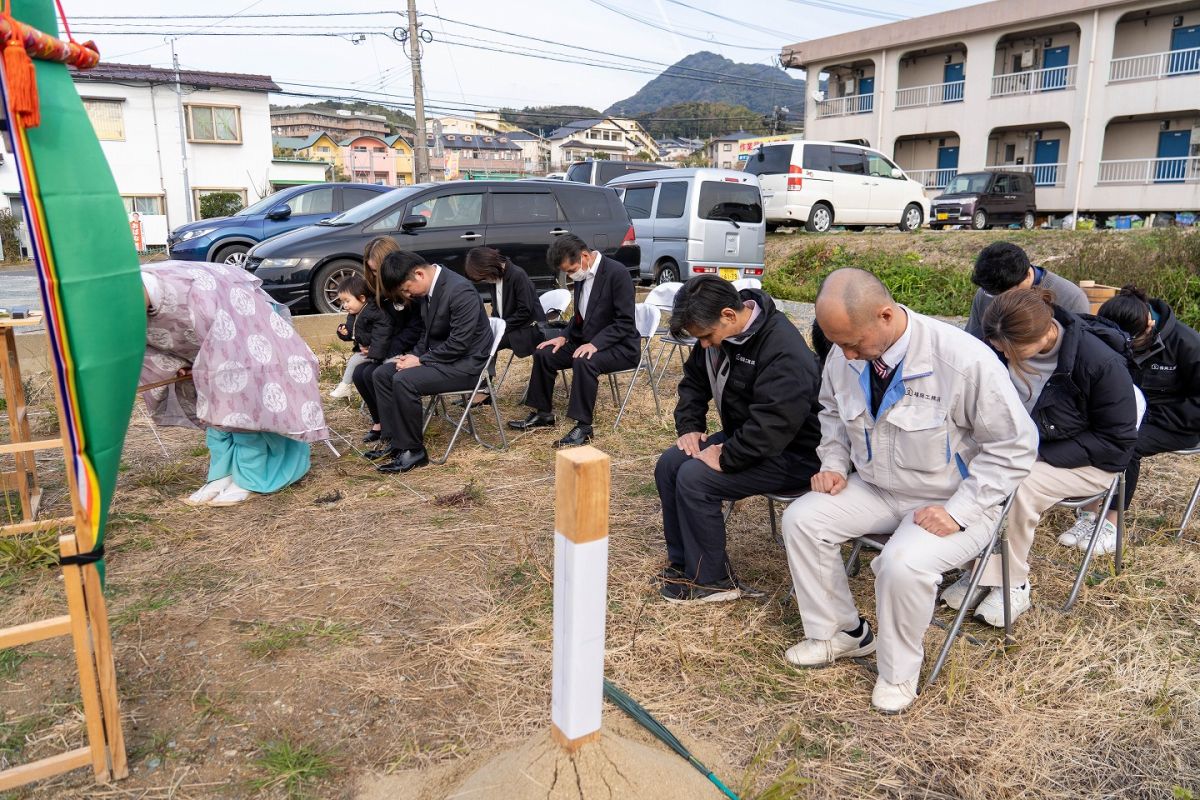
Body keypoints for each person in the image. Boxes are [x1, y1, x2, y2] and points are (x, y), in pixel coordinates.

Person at [781, 268, 1037, 714]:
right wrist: (835, 465)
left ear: (884, 315)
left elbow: (1014, 447)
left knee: (901, 563)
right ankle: (840, 633)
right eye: (837, 344)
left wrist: (960, 510)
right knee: (803, 519)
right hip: (877, 486)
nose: (845, 354)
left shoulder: (964, 360)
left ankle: (898, 673)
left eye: (852, 343)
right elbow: (830, 412)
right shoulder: (846, 353)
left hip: (951, 500)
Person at [942, 288, 1138, 626]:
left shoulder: (1099, 363)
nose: (1003, 354)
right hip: (1028, 449)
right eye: (998, 348)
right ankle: (981, 570)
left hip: (1091, 462)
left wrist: (1034, 455)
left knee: (1017, 484)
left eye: (1012, 350)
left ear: (1045, 332)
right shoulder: (1001, 348)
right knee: (967, 471)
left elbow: (1117, 442)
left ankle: (1013, 582)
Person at [655, 276, 821, 603]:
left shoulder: (782, 348)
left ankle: (712, 581)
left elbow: (775, 424)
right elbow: (693, 383)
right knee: (670, 463)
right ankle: (684, 563)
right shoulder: (721, 333)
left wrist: (727, 456)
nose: (703, 345)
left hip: (795, 453)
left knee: (695, 477)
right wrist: (689, 425)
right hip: (748, 438)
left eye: (705, 337)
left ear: (730, 315)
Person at [139, 261, 327, 507]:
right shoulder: (147, 298)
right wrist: (184, 361)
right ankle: (223, 472)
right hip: (209, 336)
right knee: (214, 408)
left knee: (242, 404)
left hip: (244, 325)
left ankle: (251, 475)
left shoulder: (192, 293)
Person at [1056, 286, 1200, 547]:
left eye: (1130, 341)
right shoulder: (1106, 334)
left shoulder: (1187, 344)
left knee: (1125, 442)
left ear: (1149, 324)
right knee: (1091, 431)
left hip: (1178, 421)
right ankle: (1089, 514)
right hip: (1127, 411)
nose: (1123, 345)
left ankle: (1111, 523)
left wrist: (1147, 418)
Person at [366, 251, 494, 473]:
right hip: (444, 359)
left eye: (406, 289)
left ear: (419, 274)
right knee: (383, 374)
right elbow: (426, 335)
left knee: (404, 380)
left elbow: (459, 344)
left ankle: (413, 450)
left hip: (466, 366)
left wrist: (421, 360)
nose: (408, 295)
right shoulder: (429, 291)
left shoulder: (459, 290)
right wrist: (412, 356)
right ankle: (394, 442)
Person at [508, 234, 639, 448]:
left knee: (584, 360)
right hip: (586, 340)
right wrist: (563, 336)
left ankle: (583, 427)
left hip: (620, 346)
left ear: (585, 256)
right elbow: (580, 316)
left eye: (571, 270)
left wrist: (596, 344)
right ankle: (543, 414)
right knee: (544, 353)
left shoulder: (617, 273)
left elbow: (625, 322)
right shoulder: (582, 276)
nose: (570, 275)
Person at [351, 237, 424, 443]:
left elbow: (415, 329)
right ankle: (380, 421)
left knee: (375, 373)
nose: (374, 275)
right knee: (359, 373)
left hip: (409, 348)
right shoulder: (379, 293)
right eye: (371, 271)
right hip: (388, 346)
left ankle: (393, 427)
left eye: (376, 271)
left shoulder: (411, 291)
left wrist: (384, 349)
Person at [464, 246, 546, 405]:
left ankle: (483, 391)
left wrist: (499, 328)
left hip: (528, 329)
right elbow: (497, 309)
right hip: (512, 327)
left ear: (488, 267)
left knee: (485, 343)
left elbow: (525, 311)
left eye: (482, 277)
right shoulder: (494, 278)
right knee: (480, 338)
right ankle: (480, 388)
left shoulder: (517, 275)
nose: (483, 281)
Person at [965, 242, 1090, 339]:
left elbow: (1079, 353)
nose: (1000, 300)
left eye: (1007, 294)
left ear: (1027, 275)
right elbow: (972, 342)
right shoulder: (986, 293)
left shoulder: (1072, 298)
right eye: (994, 295)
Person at [331, 274, 388, 399]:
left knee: (386, 364)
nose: (344, 305)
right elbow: (352, 333)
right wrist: (344, 332)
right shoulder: (354, 314)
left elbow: (379, 334)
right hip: (366, 351)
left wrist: (361, 339)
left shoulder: (372, 313)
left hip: (379, 351)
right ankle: (345, 385)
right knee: (353, 362)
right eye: (342, 301)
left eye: (347, 301)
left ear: (362, 298)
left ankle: (345, 385)